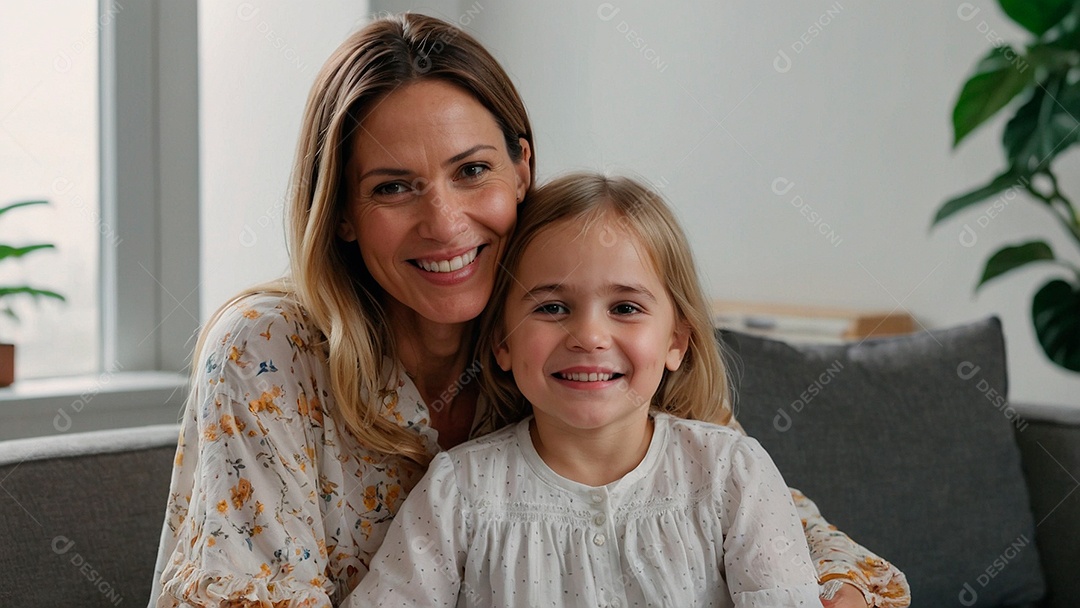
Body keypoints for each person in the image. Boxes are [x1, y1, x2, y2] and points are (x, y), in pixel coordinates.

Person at [149, 12, 909, 608]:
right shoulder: (270, 350)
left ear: (523, 167)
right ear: (341, 212)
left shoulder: (565, 336)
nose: (444, 223)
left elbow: (775, 521)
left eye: (472, 170)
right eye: (392, 186)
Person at [349, 172, 824, 606]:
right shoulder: (457, 494)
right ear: (502, 342)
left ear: (676, 341)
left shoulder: (730, 475)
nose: (590, 336)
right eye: (552, 308)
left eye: (625, 308)